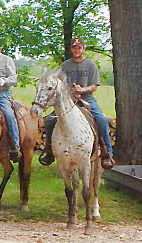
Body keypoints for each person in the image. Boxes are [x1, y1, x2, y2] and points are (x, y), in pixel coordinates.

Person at [41, 38, 115, 169]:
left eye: (79, 48)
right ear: (71, 49)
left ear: (83, 49)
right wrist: (68, 90)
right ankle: (48, 150)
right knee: (50, 120)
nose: (76, 50)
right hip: (67, 99)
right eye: (74, 48)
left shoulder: (90, 65)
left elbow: (94, 86)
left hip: (87, 98)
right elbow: (58, 84)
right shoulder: (65, 66)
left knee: (101, 119)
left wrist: (82, 89)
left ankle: (107, 152)